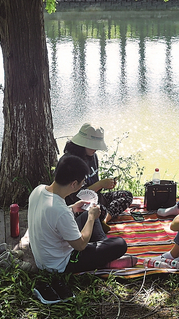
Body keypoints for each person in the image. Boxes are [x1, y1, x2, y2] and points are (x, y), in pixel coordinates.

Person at [28, 154, 129, 303]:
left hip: (44, 255)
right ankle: (103, 253)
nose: (82, 186)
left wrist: (73, 208)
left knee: (90, 217)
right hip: (60, 264)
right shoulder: (60, 211)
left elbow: (51, 217)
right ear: (74, 184)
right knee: (120, 244)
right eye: (82, 183)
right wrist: (90, 217)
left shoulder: (39, 190)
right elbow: (80, 245)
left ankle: (101, 248)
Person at [64, 123, 133, 225]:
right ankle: (100, 218)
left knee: (127, 195)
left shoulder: (92, 156)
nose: (95, 149)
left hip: (96, 199)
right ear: (83, 143)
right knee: (98, 210)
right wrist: (100, 184)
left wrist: (106, 185)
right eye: (93, 146)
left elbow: (95, 187)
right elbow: (76, 197)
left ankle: (105, 220)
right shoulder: (71, 162)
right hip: (79, 205)